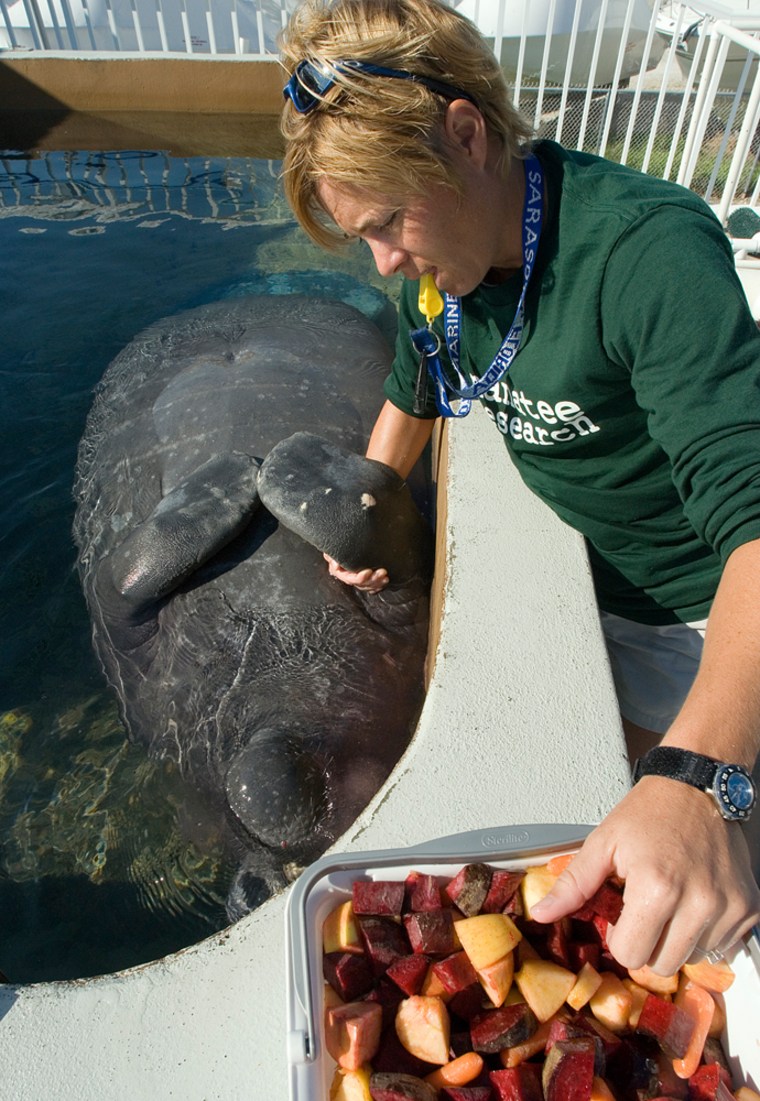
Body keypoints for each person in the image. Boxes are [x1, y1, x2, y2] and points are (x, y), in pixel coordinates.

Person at [278, 0, 760, 975]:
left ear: (468, 134)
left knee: (690, 919)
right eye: (360, 235)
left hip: (704, 615)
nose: (383, 261)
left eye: (387, 223)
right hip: (594, 600)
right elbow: (415, 378)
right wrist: (375, 491)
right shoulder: (435, 266)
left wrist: (702, 777)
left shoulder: (645, 253)